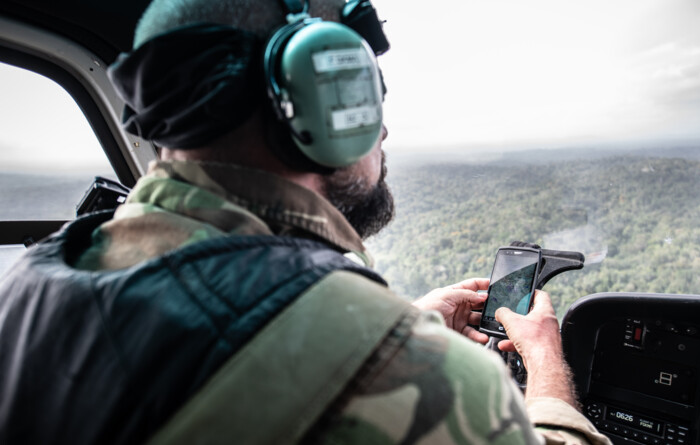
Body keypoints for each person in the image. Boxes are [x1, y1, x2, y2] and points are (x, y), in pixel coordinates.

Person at [0, 0, 610, 444]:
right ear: (321, 106)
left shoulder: (30, 283)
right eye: (366, 94)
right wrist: (546, 370)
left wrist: (402, 331)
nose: (384, 130)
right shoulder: (440, 382)